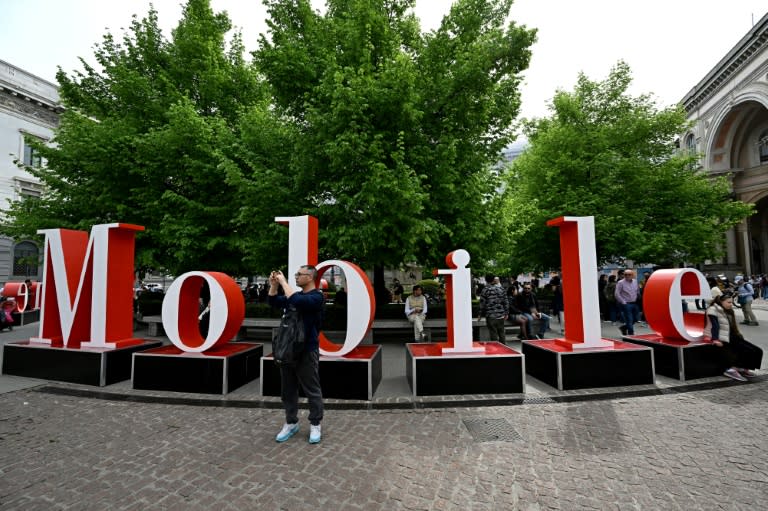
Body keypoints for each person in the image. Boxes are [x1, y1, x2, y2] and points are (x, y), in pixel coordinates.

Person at [268, 266, 325, 444]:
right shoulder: (296, 295)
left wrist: (284, 282)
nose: (296, 277)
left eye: (299, 274)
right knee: (288, 390)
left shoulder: (317, 297)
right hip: (288, 350)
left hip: (307, 350)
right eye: (296, 275)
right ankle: (291, 422)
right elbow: (273, 302)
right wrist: (273, 285)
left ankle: (315, 423)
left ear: (310, 277)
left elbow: (298, 301)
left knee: (312, 389)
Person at [703, 293, 762, 381]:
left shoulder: (729, 310)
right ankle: (731, 369)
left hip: (730, 335)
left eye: (732, 302)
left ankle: (742, 367)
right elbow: (715, 325)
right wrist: (715, 339)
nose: (731, 304)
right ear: (721, 302)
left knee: (757, 350)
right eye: (729, 302)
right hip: (718, 336)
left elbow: (732, 325)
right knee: (740, 350)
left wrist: (738, 334)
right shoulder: (712, 309)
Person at [477, 275, 509, 344]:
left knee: (493, 333)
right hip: (501, 315)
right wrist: (506, 313)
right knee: (501, 332)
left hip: (490, 315)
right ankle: (504, 348)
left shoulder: (485, 290)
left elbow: (482, 303)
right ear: (493, 280)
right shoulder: (501, 289)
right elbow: (506, 301)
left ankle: (496, 349)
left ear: (486, 280)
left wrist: (480, 314)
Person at [615, 269, 640, 335]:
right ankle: (631, 334)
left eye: (629, 274)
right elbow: (617, 293)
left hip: (634, 303)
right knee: (629, 319)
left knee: (636, 318)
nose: (627, 276)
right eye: (625, 274)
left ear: (632, 275)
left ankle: (624, 327)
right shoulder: (620, 282)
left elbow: (637, 291)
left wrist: (638, 297)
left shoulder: (635, 281)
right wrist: (623, 302)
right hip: (626, 303)